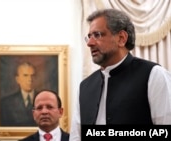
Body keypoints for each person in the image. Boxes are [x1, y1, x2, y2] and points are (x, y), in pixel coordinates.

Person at [69, 9, 171, 140]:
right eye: (89, 36)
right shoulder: (85, 87)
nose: (90, 43)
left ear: (121, 38)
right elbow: (76, 137)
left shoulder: (154, 75)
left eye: (98, 35)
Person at [0, 62, 37, 126]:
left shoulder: (45, 99)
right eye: (25, 75)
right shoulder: (6, 103)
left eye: (32, 75)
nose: (30, 79)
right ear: (18, 79)